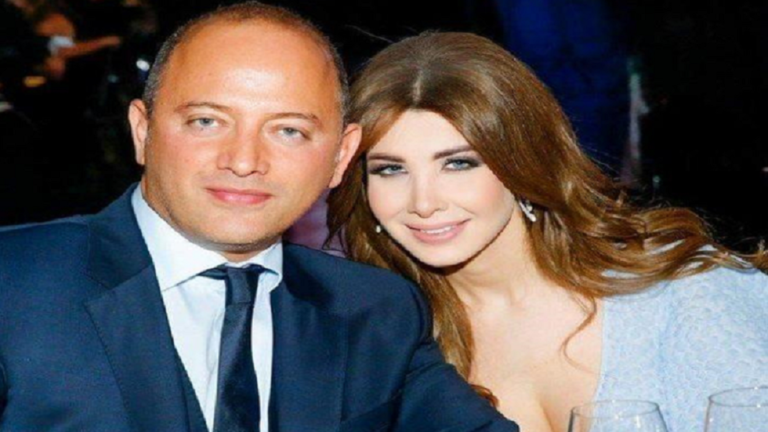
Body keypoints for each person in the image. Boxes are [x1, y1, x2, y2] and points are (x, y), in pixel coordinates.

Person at [0, 5, 520, 432]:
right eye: (207, 121)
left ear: (341, 156)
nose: (244, 160)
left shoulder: (376, 314)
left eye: (288, 131)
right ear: (142, 131)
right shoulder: (14, 283)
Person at [327, 32, 768, 432]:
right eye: (390, 170)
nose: (424, 202)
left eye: (458, 163)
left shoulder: (681, 294)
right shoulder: (383, 342)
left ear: (523, 163)